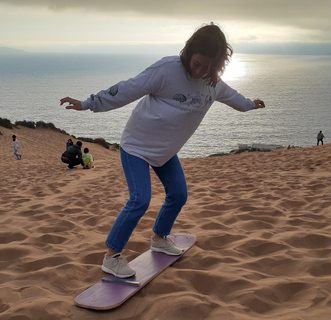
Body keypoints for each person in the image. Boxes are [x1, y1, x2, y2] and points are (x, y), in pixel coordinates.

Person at [60, 23, 266, 278]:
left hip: (165, 153)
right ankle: (111, 257)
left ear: (217, 65)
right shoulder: (167, 69)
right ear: (189, 52)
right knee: (140, 200)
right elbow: (127, 89)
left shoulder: (213, 84)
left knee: (178, 194)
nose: (199, 70)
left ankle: (159, 238)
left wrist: (250, 105)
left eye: (207, 67)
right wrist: (87, 103)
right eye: (196, 63)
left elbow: (234, 98)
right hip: (136, 147)